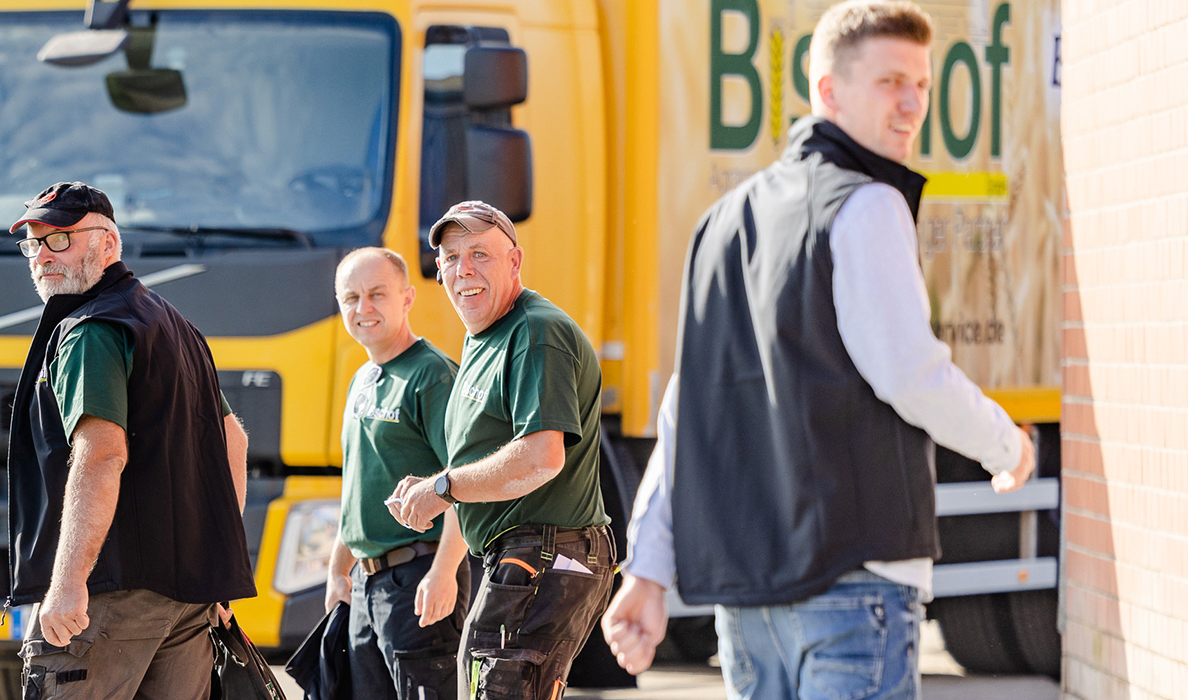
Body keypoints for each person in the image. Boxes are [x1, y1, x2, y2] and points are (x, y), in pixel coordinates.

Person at [598, 3, 1039, 697]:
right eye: (891, 81)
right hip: (854, 590)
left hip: (748, 607)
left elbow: (689, 410)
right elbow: (912, 374)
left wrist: (648, 572)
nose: (913, 105)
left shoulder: (719, 223)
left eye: (922, 85)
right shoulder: (865, 205)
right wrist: (1008, 449)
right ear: (828, 92)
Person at [2, 182, 254, 699]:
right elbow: (234, 441)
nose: (42, 257)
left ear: (108, 245)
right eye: (34, 242)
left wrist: (69, 584)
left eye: (60, 239)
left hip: (109, 596)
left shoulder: (89, 329)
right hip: (187, 599)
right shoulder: (174, 324)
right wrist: (219, 570)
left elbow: (101, 454)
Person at [385, 200, 614, 699]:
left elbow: (540, 457)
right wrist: (433, 484)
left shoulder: (535, 331)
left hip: (545, 550)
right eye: (450, 257)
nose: (463, 269)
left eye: (480, 254)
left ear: (515, 261)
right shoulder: (485, 334)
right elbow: (487, 455)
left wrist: (444, 487)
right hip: (525, 551)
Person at [327, 246, 469, 700]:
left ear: (407, 298)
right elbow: (357, 489)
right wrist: (338, 573)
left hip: (418, 579)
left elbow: (466, 482)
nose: (363, 308)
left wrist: (444, 572)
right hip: (367, 588)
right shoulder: (362, 379)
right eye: (351, 298)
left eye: (376, 294)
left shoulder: (433, 376)